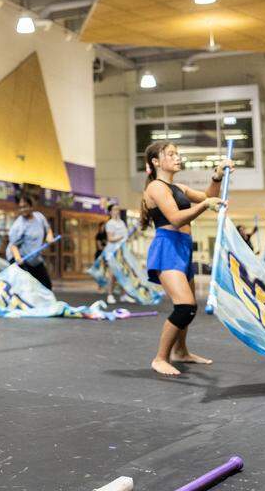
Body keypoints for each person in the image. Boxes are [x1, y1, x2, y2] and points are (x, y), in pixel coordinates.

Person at [140, 141, 229, 377]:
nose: (177, 157)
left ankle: (180, 351)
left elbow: (208, 196)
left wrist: (217, 177)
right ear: (156, 162)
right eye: (170, 154)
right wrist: (204, 206)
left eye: (177, 154)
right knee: (185, 306)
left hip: (183, 247)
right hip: (167, 247)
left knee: (190, 307)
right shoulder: (156, 188)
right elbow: (176, 218)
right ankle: (160, 358)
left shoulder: (177, 186)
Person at [8, 194, 56, 290]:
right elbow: (13, 246)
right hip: (20, 258)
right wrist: (18, 258)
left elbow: (48, 229)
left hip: (34, 258)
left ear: (31, 206)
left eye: (25, 206)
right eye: (20, 207)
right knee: (25, 287)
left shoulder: (39, 217)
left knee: (47, 285)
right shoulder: (18, 226)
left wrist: (49, 236)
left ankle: (42, 304)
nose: (23, 209)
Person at [103, 203, 128, 304]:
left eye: (118, 209)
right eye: (114, 209)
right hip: (112, 252)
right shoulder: (110, 223)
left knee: (123, 273)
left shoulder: (121, 222)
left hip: (122, 251)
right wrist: (121, 237)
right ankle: (110, 295)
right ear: (110, 212)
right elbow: (110, 239)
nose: (117, 211)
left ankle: (123, 295)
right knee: (113, 274)